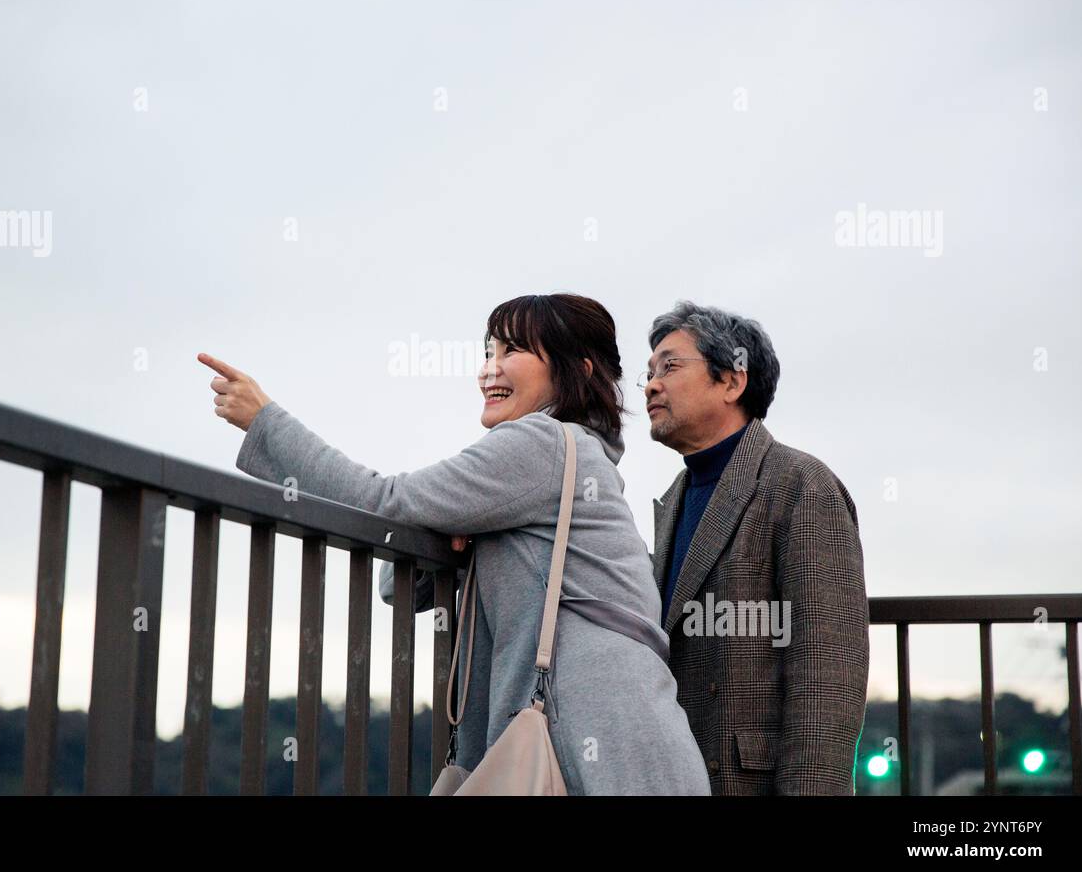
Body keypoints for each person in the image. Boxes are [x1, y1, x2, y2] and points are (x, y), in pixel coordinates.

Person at [200, 293, 709, 794]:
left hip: (592, 739)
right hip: (621, 738)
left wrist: (264, 421)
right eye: (489, 352)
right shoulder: (572, 457)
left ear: (576, 369)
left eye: (513, 351)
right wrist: (449, 531)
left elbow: (385, 500)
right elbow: (401, 586)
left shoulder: (543, 444)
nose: (490, 369)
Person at [641, 300, 869, 794]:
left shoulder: (802, 484)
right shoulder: (675, 498)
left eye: (671, 366)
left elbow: (826, 671)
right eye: (649, 372)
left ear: (732, 380)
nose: (651, 385)